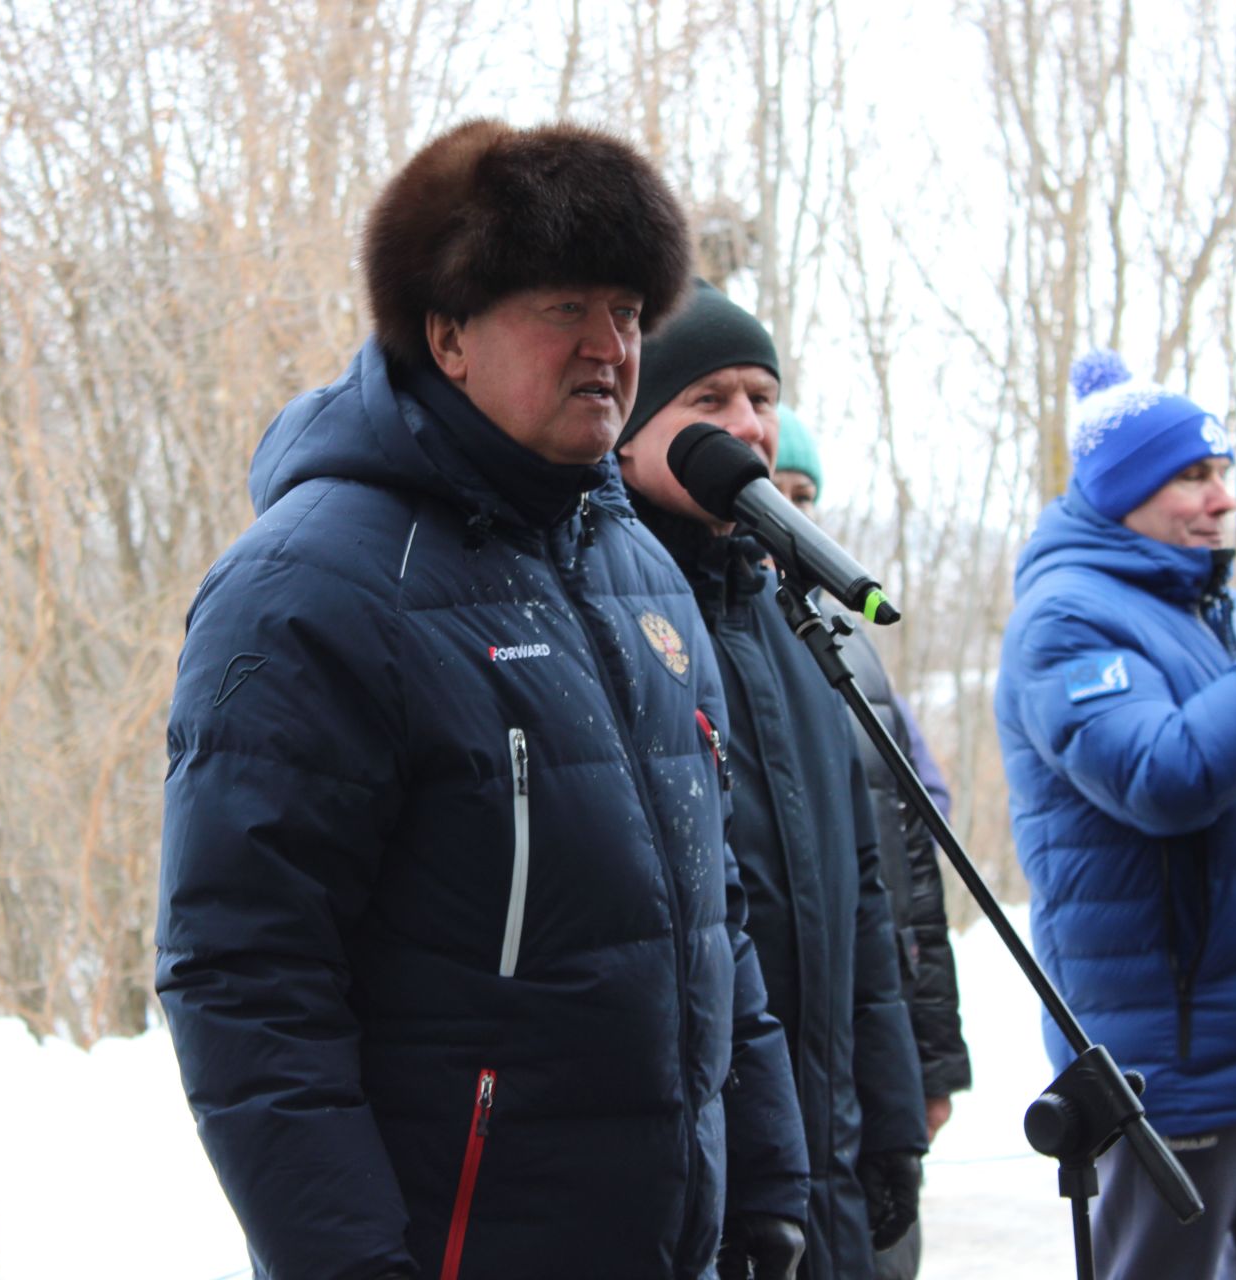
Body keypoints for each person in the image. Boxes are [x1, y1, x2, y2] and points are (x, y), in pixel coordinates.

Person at [156, 123, 811, 1280]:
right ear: (448, 333)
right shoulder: (308, 588)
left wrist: (768, 1183)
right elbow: (246, 976)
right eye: (565, 308)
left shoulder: (642, 570)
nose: (611, 347)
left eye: (627, 310)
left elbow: (712, 912)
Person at [995, 349, 1236, 1279]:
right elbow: (1163, 778)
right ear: (1123, 489)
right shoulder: (1067, 620)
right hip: (1171, 1076)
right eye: (1191, 477)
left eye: (1224, 473)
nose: (1221, 499)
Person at [615, 279, 928, 1280]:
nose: (750, 426)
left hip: (827, 1156)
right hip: (701, 1178)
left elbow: (862, 891)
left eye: (762, 396)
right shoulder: (607, 610)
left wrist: (889, 1115)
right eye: (709, 401)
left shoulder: (797, 624)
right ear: (623, 425)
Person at [772, 407, 973, 1280]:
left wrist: (931, 1062)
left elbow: (910, 866)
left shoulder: (847, 641)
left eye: (802, 495)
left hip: (873, 1043)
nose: (783, 510)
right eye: (767, 488)